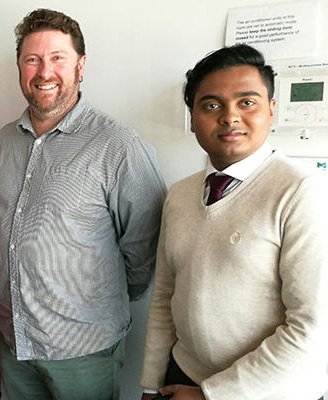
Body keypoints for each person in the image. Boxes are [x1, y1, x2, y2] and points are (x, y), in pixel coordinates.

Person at [0, 8, 167, 400]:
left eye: (57, 58)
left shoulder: (119, 146)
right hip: (13, 340)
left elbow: (145, 248)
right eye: (32, 59)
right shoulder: (0, 145)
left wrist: (100, 300)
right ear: (19, 67)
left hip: (84, 349)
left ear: (81, 66)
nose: (43, 71)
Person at [140, 44, 328, 400]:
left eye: (247, 102)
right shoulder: (180, 195)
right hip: (184, 376)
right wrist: (151, 383)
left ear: (272, 110)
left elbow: (313, 329)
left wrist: (211, 395)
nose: (229, 117)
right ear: (193, 117)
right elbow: (165, 297)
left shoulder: (302, 192)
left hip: (269, 389)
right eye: (211, 105)